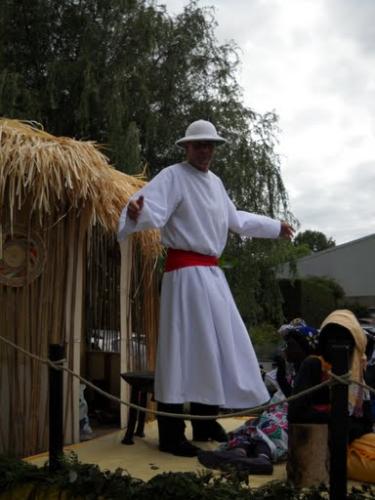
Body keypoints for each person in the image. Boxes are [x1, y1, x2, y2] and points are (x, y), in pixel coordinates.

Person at [117, 119, 294, 457]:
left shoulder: (216, 183)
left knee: (212, 346)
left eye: (210, 145)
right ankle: (171, 433)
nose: (205, 150)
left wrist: (274, 226)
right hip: (184, 276)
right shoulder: (173, 176)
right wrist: (135, 212)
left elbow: (236, 220)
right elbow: (149, 208)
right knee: (182, 348)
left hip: (212, 277)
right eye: (199, 145)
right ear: (187, 147)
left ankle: (204, 420)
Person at [197, 319, 319, 474]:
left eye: (290, 346)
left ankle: (263, 458)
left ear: (305, 349)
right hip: (283, 413)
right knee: (252, 425)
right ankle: (238, 453)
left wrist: (281, 376)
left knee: (268, 426)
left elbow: (297, 401)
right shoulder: (295, 369)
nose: (285, 349)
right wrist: (281, 375)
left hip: (296, 419)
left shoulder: (311, 370)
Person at [289, 309, 375, 483]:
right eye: (331, 339)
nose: (336, 345)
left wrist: (349, 425)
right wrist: (334, 418)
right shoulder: (313, 364)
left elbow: (366, 420)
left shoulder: (357, 367)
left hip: (353, 440)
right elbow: (296, 412)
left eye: (343, 340)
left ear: (354, 343)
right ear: (323, 341)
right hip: (322, 444)